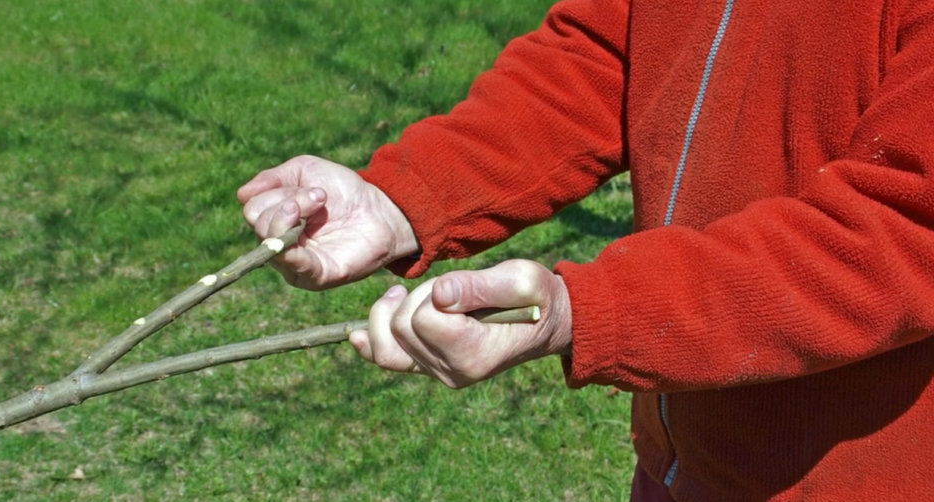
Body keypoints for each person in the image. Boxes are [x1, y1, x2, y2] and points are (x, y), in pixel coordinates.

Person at [237, 0, 934, 500]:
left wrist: (593, 311)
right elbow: (608, 52)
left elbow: (904, 227)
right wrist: (402, 198)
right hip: (683, 460)